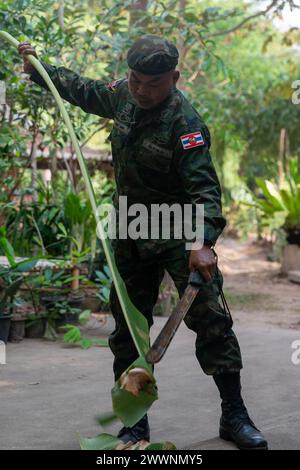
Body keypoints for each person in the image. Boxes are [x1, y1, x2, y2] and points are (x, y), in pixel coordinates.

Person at [18, 35, 268, 450]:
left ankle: (234, 415)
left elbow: (205, 192)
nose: (142, 91)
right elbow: (83, 89)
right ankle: (135, 421)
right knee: (129, 329)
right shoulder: (123, 95)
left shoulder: (186, 125)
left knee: (211, 320)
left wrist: (202, 241)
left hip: (178, 230)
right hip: (132, 228)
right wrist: (39, 70)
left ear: (174, 77)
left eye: (153, 83)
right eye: (136, 80)